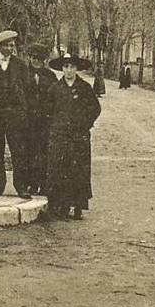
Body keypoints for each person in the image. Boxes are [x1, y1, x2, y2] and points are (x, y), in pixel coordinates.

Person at [45, 52, 101, 219]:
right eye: (66, 67)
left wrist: (85, 124)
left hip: (79, 136)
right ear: (62, 69)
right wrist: (55, 126)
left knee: (78, 170)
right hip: (60, 135)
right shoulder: (55, 88)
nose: (69, 70)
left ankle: (77, 205)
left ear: (77, 69)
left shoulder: (84, 88)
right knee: (59, 168)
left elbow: (95, 109)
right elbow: (47, 111)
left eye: (72, 67)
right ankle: (60, 205)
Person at [0, 30, 33, 199]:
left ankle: (21, 186)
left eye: (13, 45)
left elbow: (27, 89)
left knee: (18, 151)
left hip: (15, 115)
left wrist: (22, 110)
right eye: (8, 45)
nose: (11, 48)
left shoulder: (20, 65)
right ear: (0, 46)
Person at [26, 43, 58, 195]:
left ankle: (44, 184)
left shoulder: (50, 76)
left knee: (45, 152)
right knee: (29, 152)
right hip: (28, 121)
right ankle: (32, 183)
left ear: (44, 60)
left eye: (39, 58)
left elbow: (55, 98)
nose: (35, 61)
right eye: (33, 58)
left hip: (45, 121)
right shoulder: (24, 73)